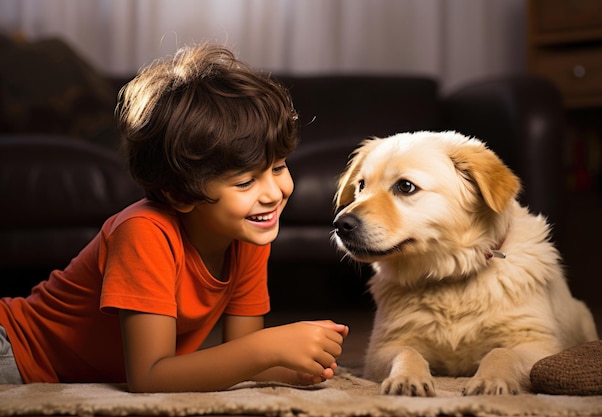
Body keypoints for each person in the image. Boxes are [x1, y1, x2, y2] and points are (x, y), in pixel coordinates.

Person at [0, 44, 348, 392]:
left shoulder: (248, 232)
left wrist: (288, 365)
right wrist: (269, 348)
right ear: (180, 194)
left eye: (278, 167)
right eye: (245, 182)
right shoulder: (144, 233)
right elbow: (150, 377)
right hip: (13, 351)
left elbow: (241, 358)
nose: (273, 193)